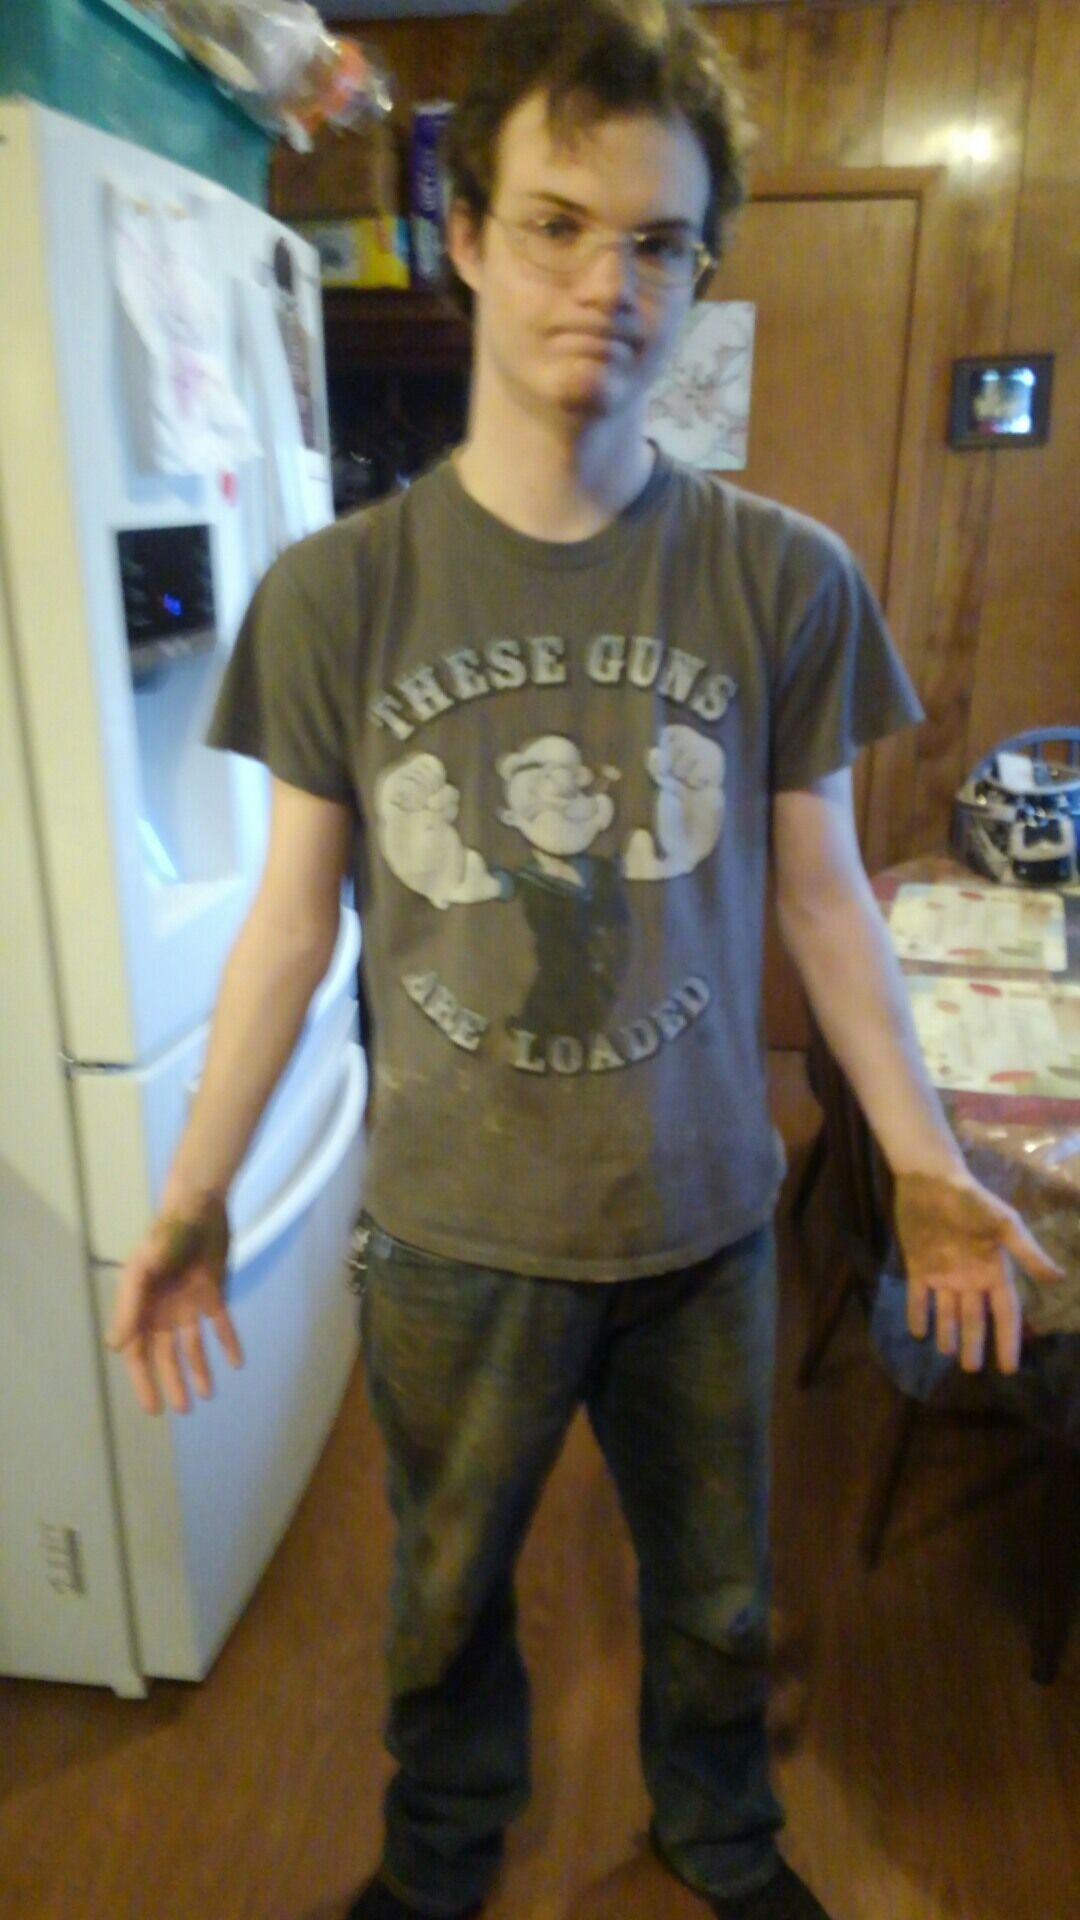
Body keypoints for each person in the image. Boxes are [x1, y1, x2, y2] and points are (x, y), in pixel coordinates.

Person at [105, 3, 1062, 1916]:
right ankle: (439, 1855)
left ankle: (721, 1834)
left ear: (702, 271)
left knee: (716, 1589)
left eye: (659, 242)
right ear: (464, 235)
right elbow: (293, 920)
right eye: (556, 224)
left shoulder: (783, 576)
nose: (607, 285)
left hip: (703, 1220)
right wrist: (195, 1188)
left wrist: (926, 1161)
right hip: (452, 1232)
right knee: (443, 1587)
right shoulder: (335, 592)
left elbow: (825, 899)